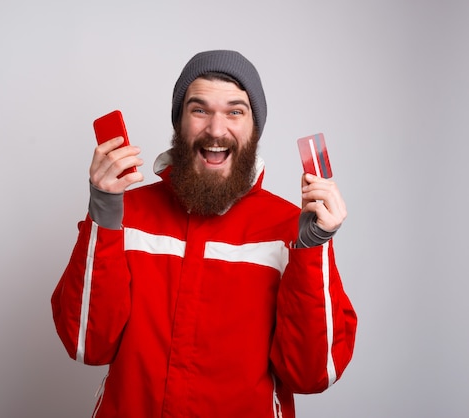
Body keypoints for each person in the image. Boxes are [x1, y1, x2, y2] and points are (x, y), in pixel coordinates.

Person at [52, 50, 357, 418]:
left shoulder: (291, 228)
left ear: (254, 129)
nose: (216, 129)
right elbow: (87, 344)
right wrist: (103, 215)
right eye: (199, 110)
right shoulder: (123, 214)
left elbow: (311, 373)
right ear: (179, 122)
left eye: (235, 111)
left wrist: (312, 250)